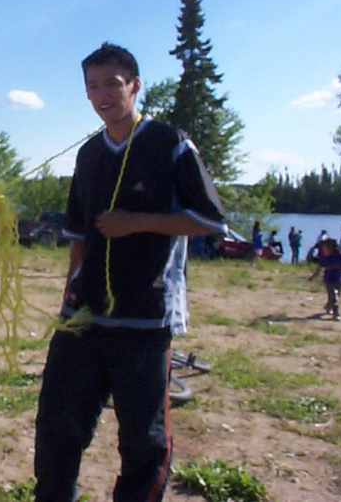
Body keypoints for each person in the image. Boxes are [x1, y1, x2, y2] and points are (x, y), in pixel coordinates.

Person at [33, 43, 226, 502]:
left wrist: (136, 222)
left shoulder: (169, 143)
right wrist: (67, 301)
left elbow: (211, 222)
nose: (103, 95)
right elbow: (78, 234)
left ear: (134, 85)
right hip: (84, 319)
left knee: (142, 439)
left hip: (144, 319)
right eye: (93, 86)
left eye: (112, 84)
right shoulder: (88, 155)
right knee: (57, 428)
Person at [307, 238, 341, 321]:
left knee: (335, 295)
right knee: (333, 295)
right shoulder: (324, 258)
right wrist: (312, 276)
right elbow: (318, 269)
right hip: (329, 280)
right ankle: (336, 313)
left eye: (325, 248)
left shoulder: (340, 256)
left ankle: (329, 305)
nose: (324, 250)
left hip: (338, 279)